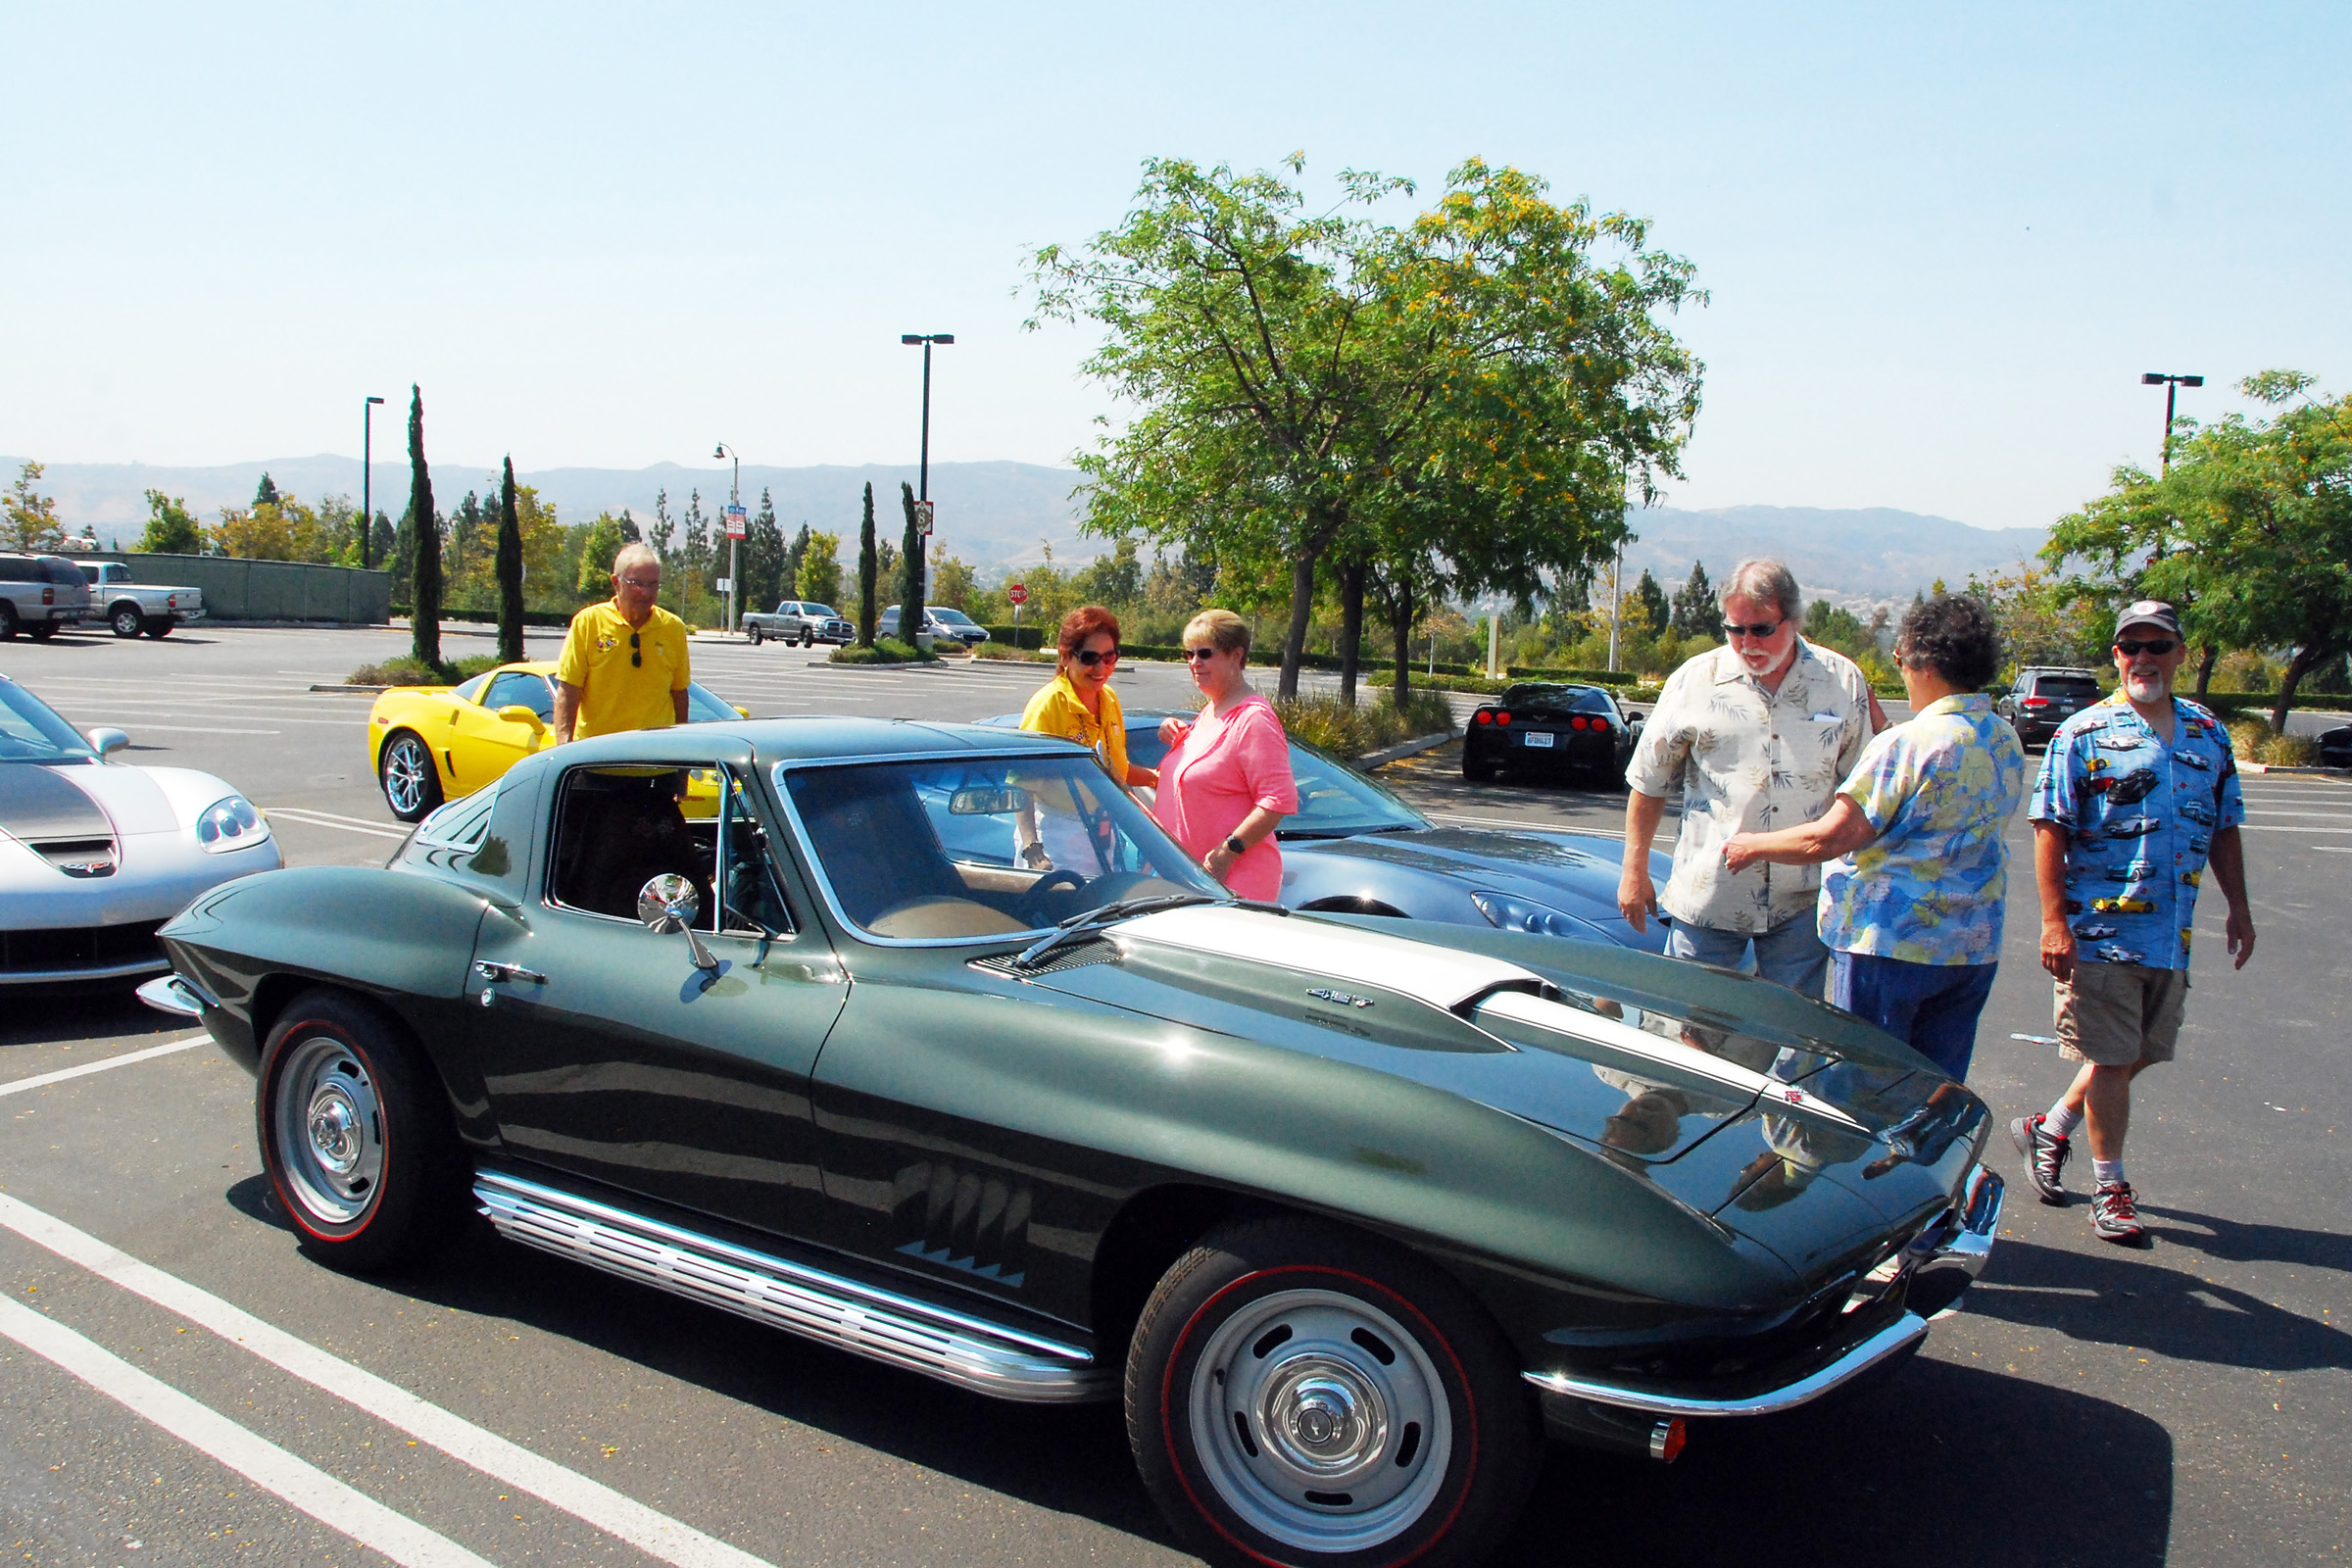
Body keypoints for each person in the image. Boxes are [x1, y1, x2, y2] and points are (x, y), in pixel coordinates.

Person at [2012, 600, 2255, 1246]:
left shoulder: (2208, 733)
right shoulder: (2083, 733)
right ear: (2116, 656)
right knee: (2112, 1059)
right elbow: (2048, 829)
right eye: (2130, 647)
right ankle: (2111, 1188)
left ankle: (2053, 1123)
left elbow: (2226, 826)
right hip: (2100, 931)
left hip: (2170, 931)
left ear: (2180, 653)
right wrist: (2053, 922)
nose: (2143, 658)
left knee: (2140, 1050)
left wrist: (2240, 907)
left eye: (2157, 646)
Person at [1720, 593, 2026, 1078]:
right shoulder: (2003, 738)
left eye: (1900, 659)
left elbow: (1831, 838)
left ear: (1922, 663)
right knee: (1934, 1084)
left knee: (1865, 1082)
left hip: (1890, 945)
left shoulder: (1909, 744)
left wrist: (1751, 844)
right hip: (1970, 945)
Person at [1618, 558, 1878, 997]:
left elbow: (1862, 790)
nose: (1747, 643)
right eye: (1735, 630)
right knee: (1689, 1024)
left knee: (1793, 1035)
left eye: (1760, 629)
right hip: (1709, 895)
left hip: (1802, 899)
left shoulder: (1840, 681)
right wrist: (1634, 869)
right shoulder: (1694, 681)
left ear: (1792, 620)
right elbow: (1649, 780)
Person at [1152, 609, 1298, 901]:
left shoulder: (1253, 719)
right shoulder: (1210, 711)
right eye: (1188, 654)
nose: (1195, 663)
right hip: (1190, 879)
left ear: (1236, 656)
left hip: (1232, 883)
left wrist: (1226, 853)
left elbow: (1278, 800)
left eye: (1205, 653)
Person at [1013, 606, 1157, 873]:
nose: (1100, 667)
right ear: (1066, 656)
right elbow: (1022, 787)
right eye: (1090, 657)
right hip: (1057, 836)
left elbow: (1117, 770)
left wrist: (1159, 778)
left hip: (1104, 832)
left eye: (1110, 656)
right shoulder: (1048, 705)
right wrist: (1032, 847)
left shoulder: (1109, 698)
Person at [554, 543, 690, 744]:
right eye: (637, 583)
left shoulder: (673, 628)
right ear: (616, 582)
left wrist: (682, 754)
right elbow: (568, 692)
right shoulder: (588, 623)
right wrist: (564, 748)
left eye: (653, 584)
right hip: (597, 759)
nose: (646, 592)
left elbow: (680, 694)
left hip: (657, 760)